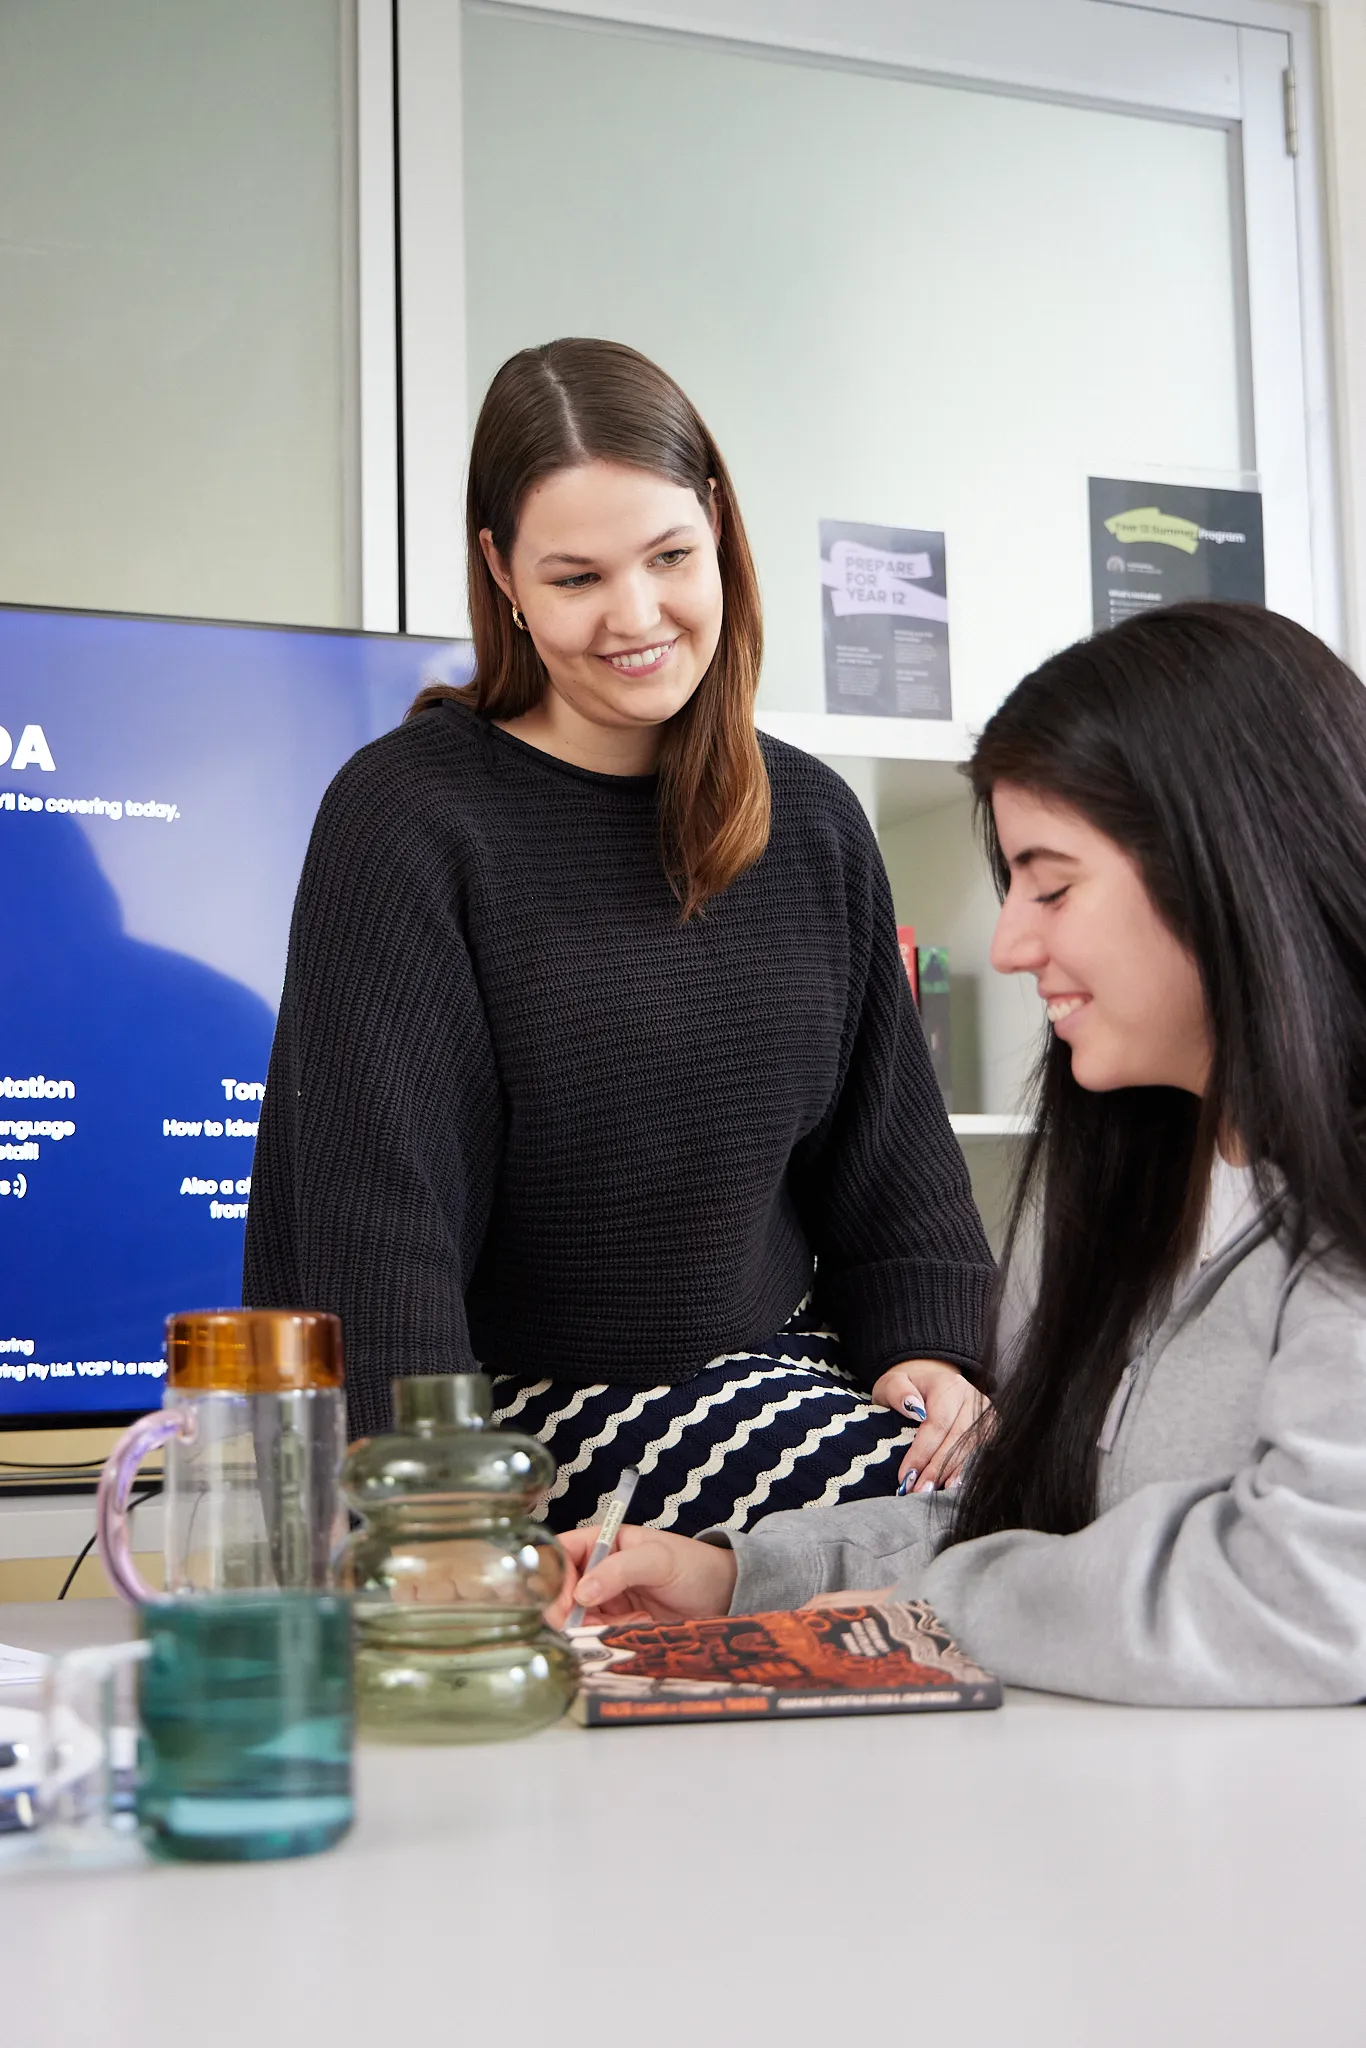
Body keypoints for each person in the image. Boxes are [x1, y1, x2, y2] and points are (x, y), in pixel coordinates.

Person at [549, 601, 1366, 1706]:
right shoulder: (1122, 1185)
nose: (1010, 943)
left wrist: (929, 1615)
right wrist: (741, 1577)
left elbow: (1308, 1594)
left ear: (1227, 864)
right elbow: (1035, 1526)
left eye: (1053, 881)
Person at [243, 337, 995, 1533]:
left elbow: (890, 1157)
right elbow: (369, 1217)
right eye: (577, 576)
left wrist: (930, 1351)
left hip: (773, 1363)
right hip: (509, 1415)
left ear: (716, 526)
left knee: (1035, 1472)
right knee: (984, 1533)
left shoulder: (809, 819)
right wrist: (430, 1507)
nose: (635, 616)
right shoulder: (408, 818)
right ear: (501, 575)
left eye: (669, 557)